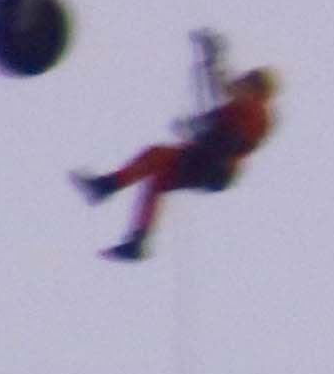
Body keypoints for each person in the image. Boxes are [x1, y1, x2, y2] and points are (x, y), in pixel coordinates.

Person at [75, 34, 279, 263]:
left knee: (157, 157)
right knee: (158, 176)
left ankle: (106, 186)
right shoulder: (244, 109)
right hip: (211, 162)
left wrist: (213, 59)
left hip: (216, 163)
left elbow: (225, 95)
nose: (240, 84)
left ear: (256, 87)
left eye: (246, 82)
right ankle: (136, 241)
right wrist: (195, 124)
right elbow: (219, 116)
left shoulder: (255, 109)